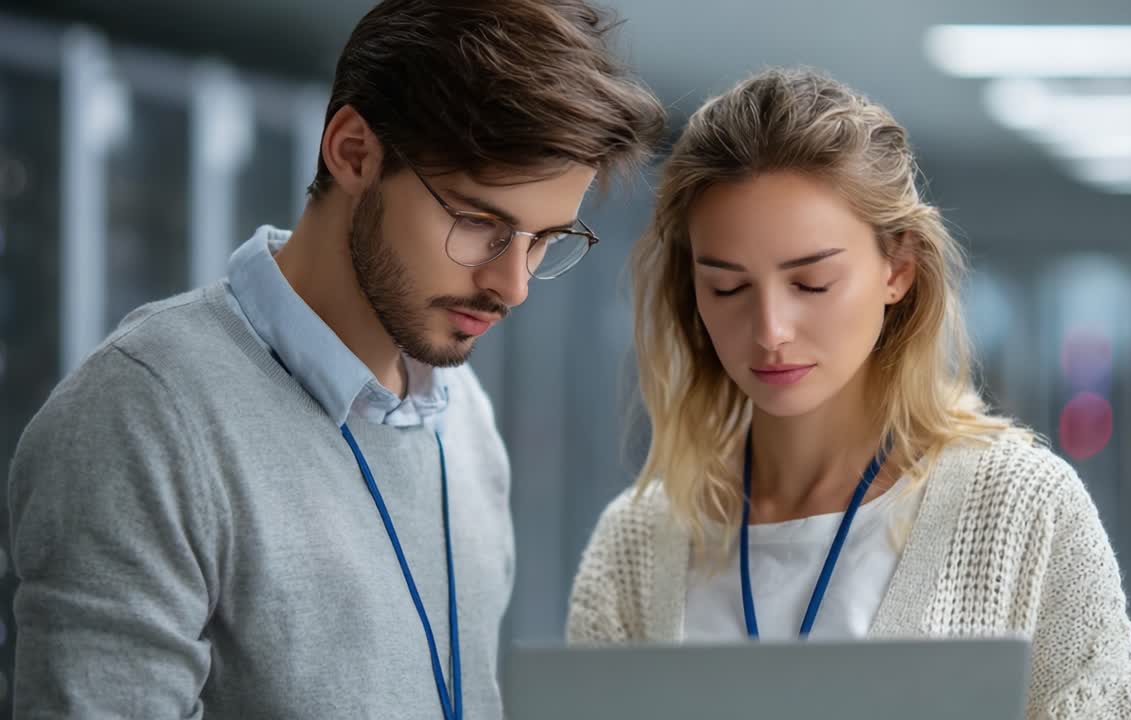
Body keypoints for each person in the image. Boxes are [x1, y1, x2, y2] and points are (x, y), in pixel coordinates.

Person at [7, 1, 664, 716]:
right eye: (479, 223)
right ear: (353, 152)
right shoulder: (141, 418)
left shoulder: (464, 418)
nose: (514, 284)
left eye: (545, 240)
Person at [567, 67, 1131, 718]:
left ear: (898, 268)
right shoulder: (637, 540)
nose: (770, 332)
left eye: (812, 282)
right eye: (727, 288)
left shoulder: (1022, 509)